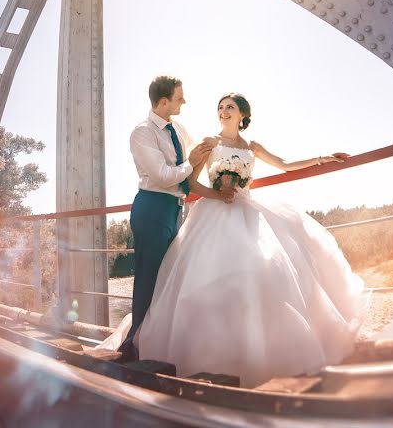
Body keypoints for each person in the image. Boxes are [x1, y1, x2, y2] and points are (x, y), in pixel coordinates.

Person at [131, 93, 369, 386]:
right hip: (213, 214)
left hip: (248, 209)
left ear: (243, 113)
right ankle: (212, 357)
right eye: (220, 107)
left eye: (229, 107)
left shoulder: (251, 146)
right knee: (210, 280)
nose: (223, 111)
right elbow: (191, 182)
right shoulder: (209, 142)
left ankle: (263, 353)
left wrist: (322, 158)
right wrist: (217, 193)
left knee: (266, 269)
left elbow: (285, 163)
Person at [116, 76, 226, 362]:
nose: (184, 102)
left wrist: (216, 147)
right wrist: (191, 161)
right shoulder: (141, 133)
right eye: (179, 98)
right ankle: (132, 346)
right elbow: (164, 176)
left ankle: (156, 343)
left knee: (168, 278)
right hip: (152, 208)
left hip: (175, 209)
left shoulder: (177, 127)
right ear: (163, 101)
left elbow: (195, 154)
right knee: (149, 278)